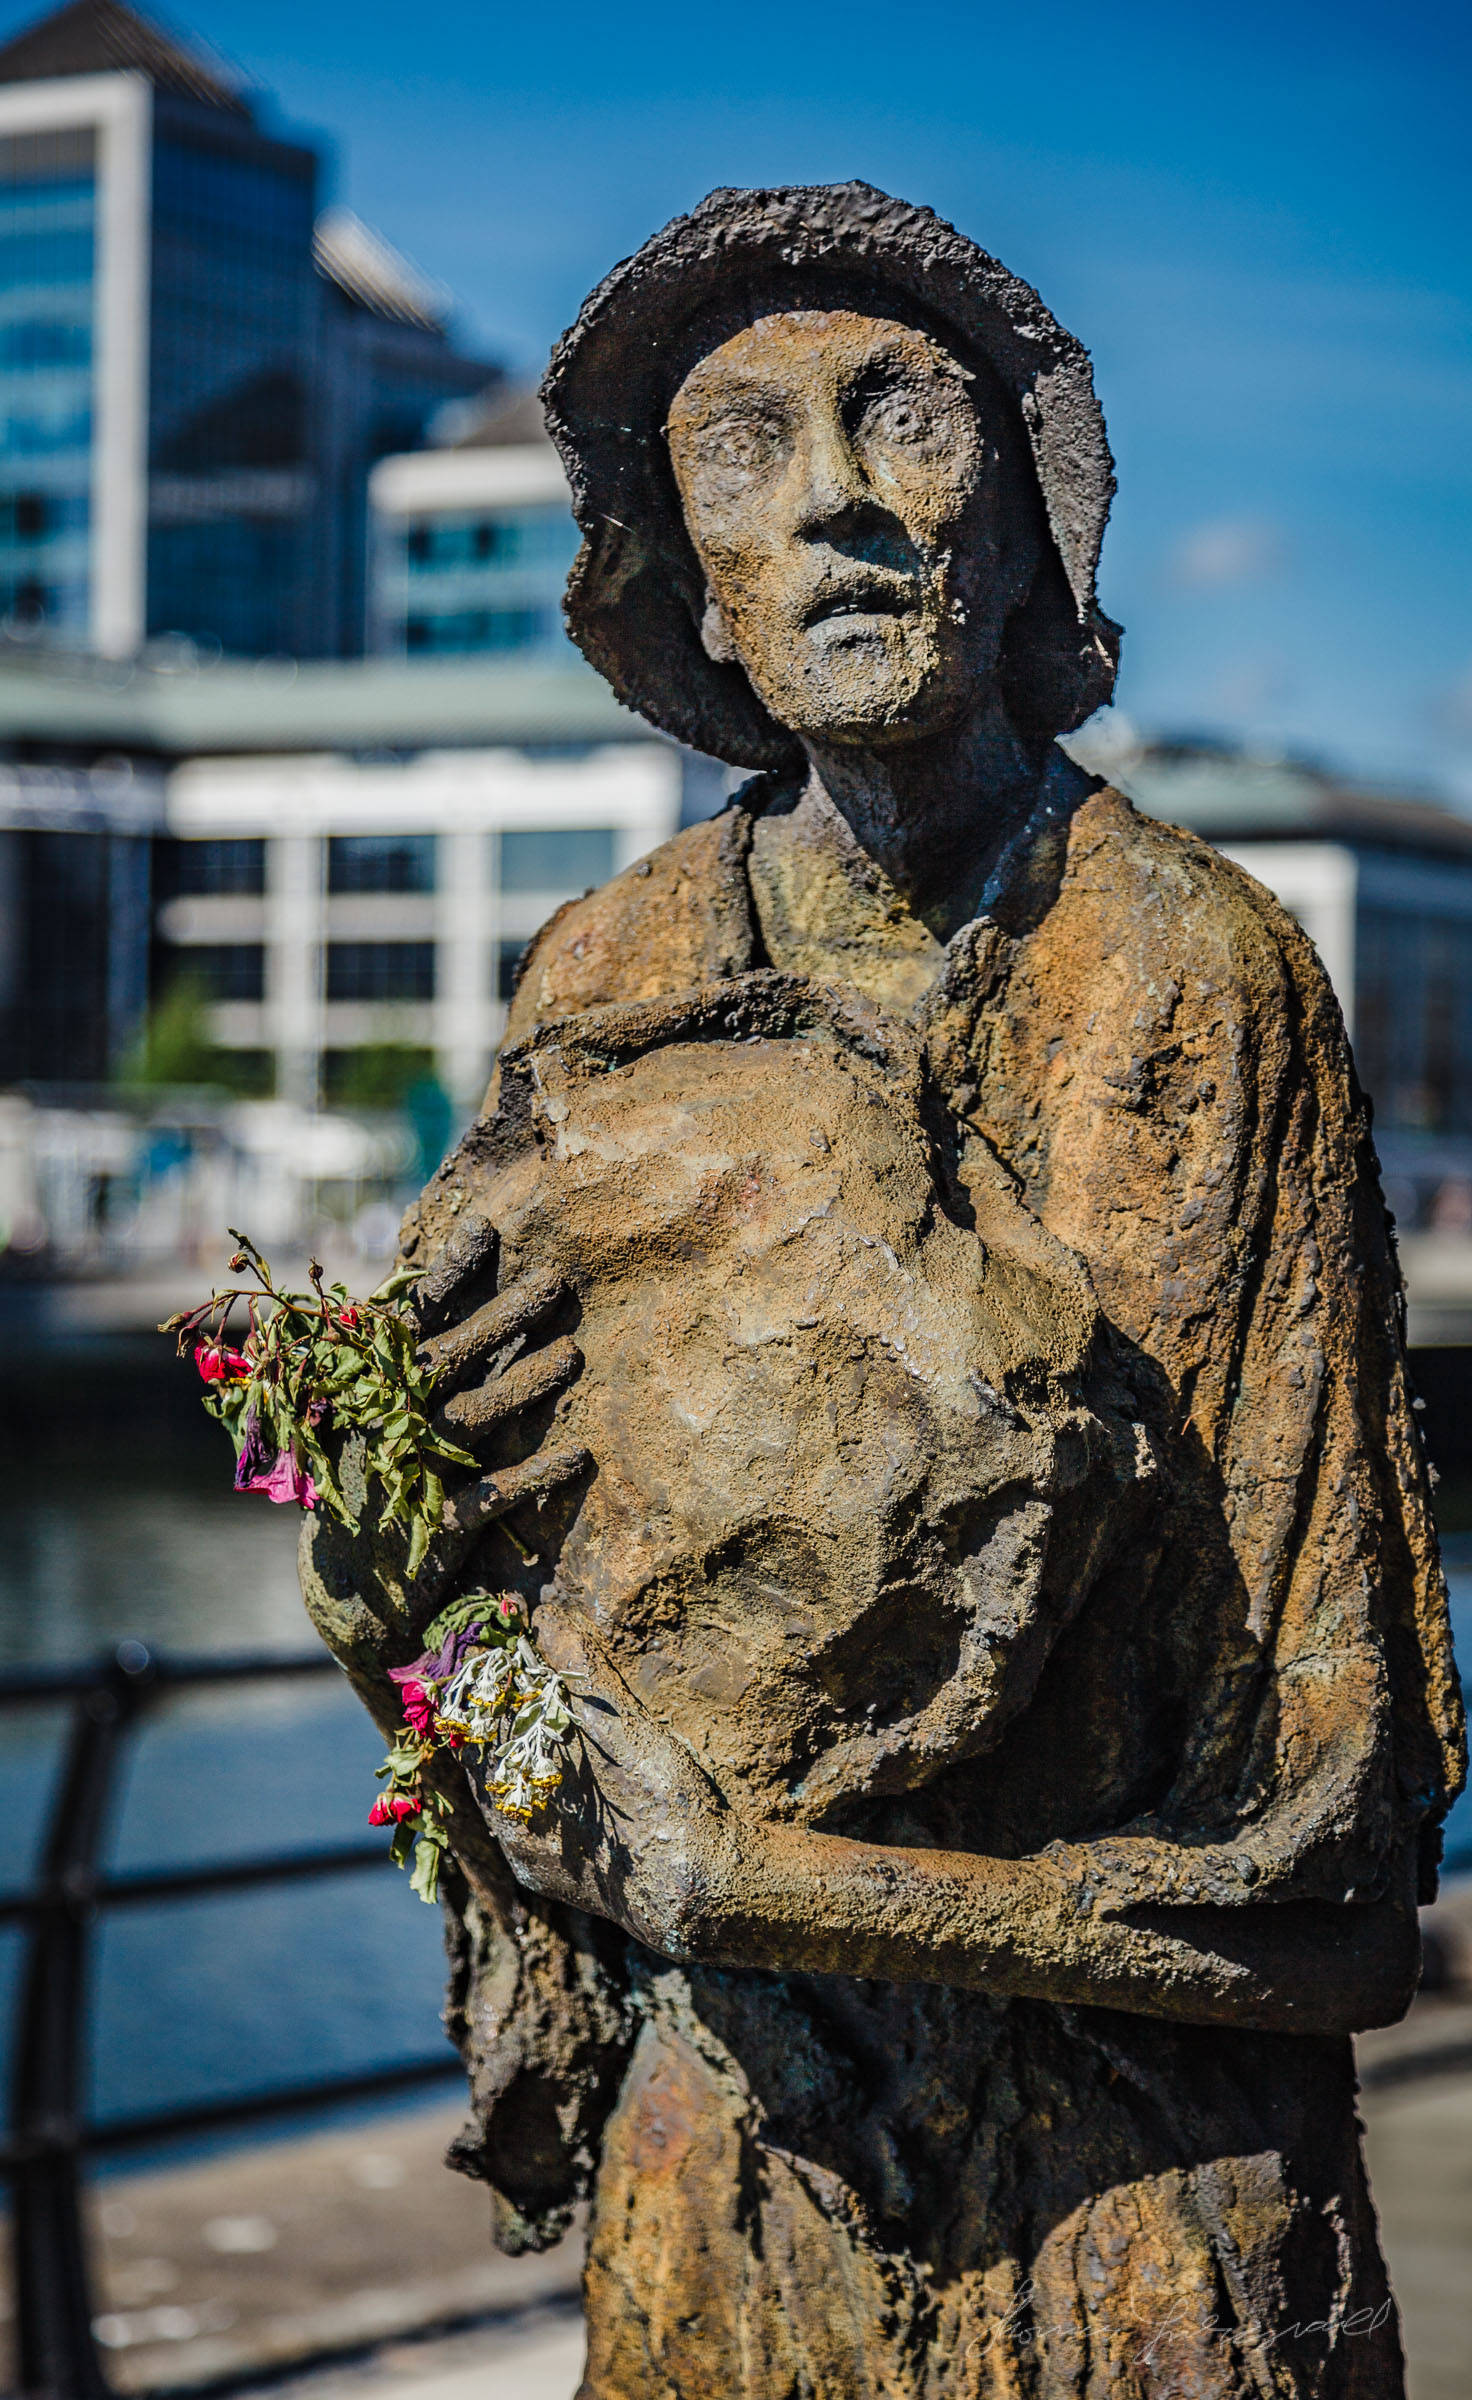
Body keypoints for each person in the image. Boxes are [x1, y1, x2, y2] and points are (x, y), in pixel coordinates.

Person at [302, 185, 1463, 2399]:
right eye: (738, 450)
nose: (828, 499)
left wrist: (777, 1892)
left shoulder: (1192, 990)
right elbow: (499, 1690)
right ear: (690, 591)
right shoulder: (609, 983)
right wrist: (387, 1576)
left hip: (1126, 2234)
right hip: (726, 2197)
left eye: (897, 420)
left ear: (1018, 526)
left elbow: (1329, 1899)